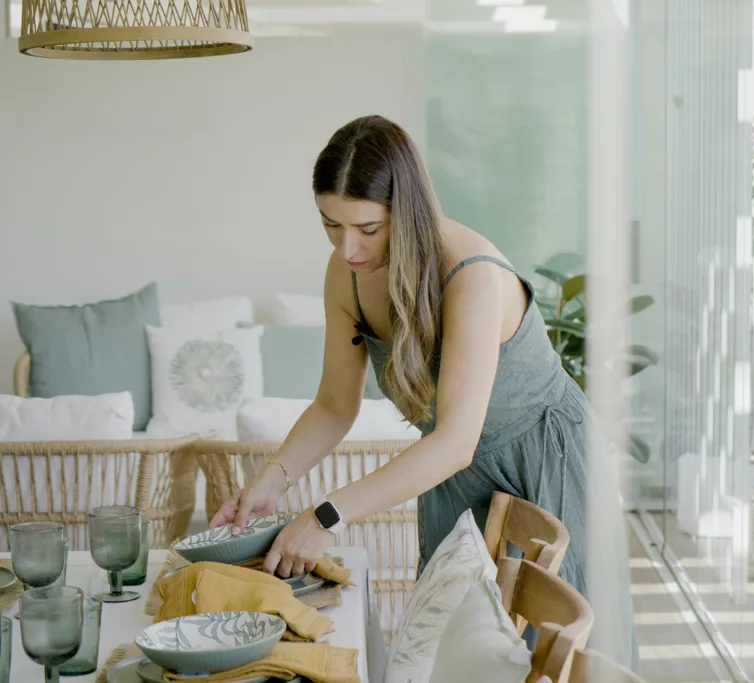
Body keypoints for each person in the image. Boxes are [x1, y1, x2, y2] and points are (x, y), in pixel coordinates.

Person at [210, 114, 638, 670]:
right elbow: (335, 404)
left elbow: (456, 440)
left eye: (368, 228)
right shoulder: (347, 275)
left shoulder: (473, 275)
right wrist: (272, 479)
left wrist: (323, 518)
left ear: (407, 210)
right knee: (456, 653)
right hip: (453, 475)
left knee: (546, 656)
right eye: (330, 225)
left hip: (542, 459)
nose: (348, 249)